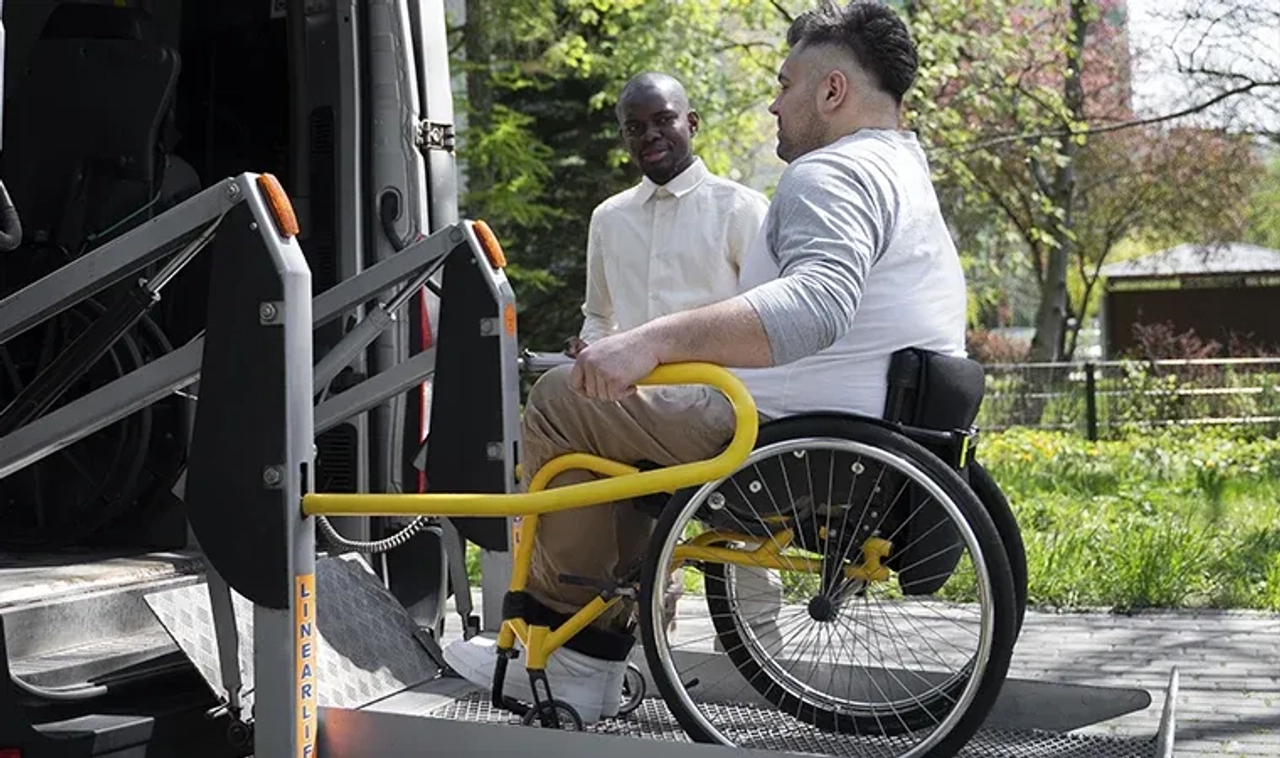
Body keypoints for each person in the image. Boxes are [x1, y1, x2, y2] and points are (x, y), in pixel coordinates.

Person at [444, 0, 970, 725]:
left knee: (565, 402)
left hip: (774, 439)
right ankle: (591, 651)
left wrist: (649, 343)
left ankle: (575, 658)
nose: (774, 103)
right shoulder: (902, 171)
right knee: (608, 414)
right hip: (857, 439)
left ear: (832, 91)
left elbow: (817, 304)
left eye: (785, 84)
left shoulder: (830, 173)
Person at [565, 71, 769, 356]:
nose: (650, 135)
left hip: (723, 382)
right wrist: (591, 349)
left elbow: (768, 314)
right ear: (624, 137)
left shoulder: (741, 208)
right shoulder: (608, 218)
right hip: (633, 384)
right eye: (635, 128)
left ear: (692, 123)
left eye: (663, 120)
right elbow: (599, 317)